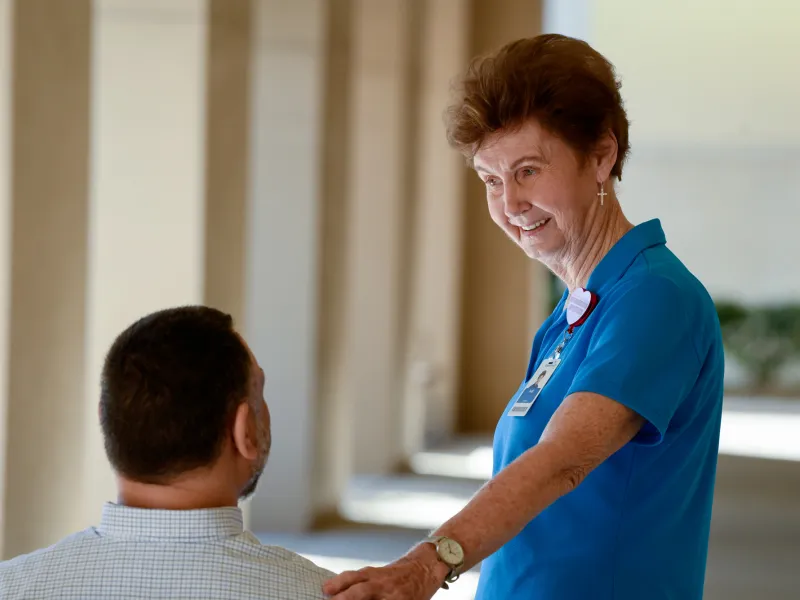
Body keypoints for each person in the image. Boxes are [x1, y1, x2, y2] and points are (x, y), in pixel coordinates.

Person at [323, 34, 724, 600]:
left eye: (529, 171)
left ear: (602, 156)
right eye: (491, 179)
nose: (510, 204)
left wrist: (427, 565)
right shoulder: (574, 311)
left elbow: (564, 460)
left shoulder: (656, 298)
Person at [0, 306, 333, 599]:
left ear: (105, 417)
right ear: (243, 431)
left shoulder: (11, 586)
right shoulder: (327, 593)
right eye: (260, 392)